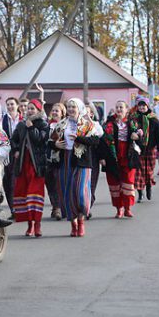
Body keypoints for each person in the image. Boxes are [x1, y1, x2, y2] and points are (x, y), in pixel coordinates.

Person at [50, 98, 99, 237]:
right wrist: (55, 145)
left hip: (82, 161)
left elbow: (95, 141)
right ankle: (74, 224)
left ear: (79, 109)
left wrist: (78, 138)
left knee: (81, 194)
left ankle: (82, 220)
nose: (71, 109)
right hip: (65, 160)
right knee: (67, 193)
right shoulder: (61, 124)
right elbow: (50, 141)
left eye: (74, 107)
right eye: (69, 106)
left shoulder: (87, 124)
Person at [10, 99, 48, 237]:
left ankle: (37, 224)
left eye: (33, 108)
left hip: (37, 165)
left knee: (35, 193)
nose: (29, 111)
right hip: (22, 163)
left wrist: (31, 127)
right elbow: (14, 139)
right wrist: (15, 150)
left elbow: (41, 140)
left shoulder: (43, 124)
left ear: (38, 110)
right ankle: (29, 224)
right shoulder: (21, 125)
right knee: (24, 192)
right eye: (28, 108)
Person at [99, 100, 139, 219]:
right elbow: (102, 141)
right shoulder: (108, 124)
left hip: (128, 156)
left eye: (121, 107)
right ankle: (119, 208)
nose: (119, 109)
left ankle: (127, 208)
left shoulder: (132, 123)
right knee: (114, 183)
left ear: (126, 110)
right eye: (117, 107)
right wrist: (102, 157)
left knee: (128, 183)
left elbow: (142, 139)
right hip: (112, 156)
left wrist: (137, 136)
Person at [131, 97, 159, 202]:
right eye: (140, 105)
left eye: (143, 105)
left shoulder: (153, 119)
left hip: (151, 148)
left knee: (148, 171)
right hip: (138, 148)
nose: (141, 107)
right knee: (138, 172)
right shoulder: (134, 118)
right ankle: (140, 193)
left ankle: (148, 186)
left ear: (147, 106)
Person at [1, 97, 22, 217]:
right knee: (7, 181)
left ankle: (19, 209)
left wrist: (18, 149)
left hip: (20, 153)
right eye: (8, 104)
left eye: (12, 104)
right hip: (7, 153)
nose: (10, 106)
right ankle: (13, 209)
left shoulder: (22, 119)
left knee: (16, 181)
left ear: (17, 105)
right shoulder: (4, 119)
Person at [46, 102, 66, 220]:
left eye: (57, 111)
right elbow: (45, 141)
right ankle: (55, 207)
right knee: (50, 185)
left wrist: (57, 145)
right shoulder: (47, 125)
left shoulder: (66, 125)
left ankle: (60, 207)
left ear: (62, 113)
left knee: (60, 183)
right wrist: (54, 144)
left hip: (62, 159)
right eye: (53, 110)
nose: (54, 113)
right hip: (49, 158)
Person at [85, 104, 104, 217]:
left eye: (87, 112)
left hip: (93, 157)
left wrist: (102, 158)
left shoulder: (96, 125)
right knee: (83, 184)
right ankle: (84, 206)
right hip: (81, 157)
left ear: (91, 114)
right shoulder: (77, 124)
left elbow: (100, 134)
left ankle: (88, 205)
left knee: (92, 183)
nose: (84, 115)